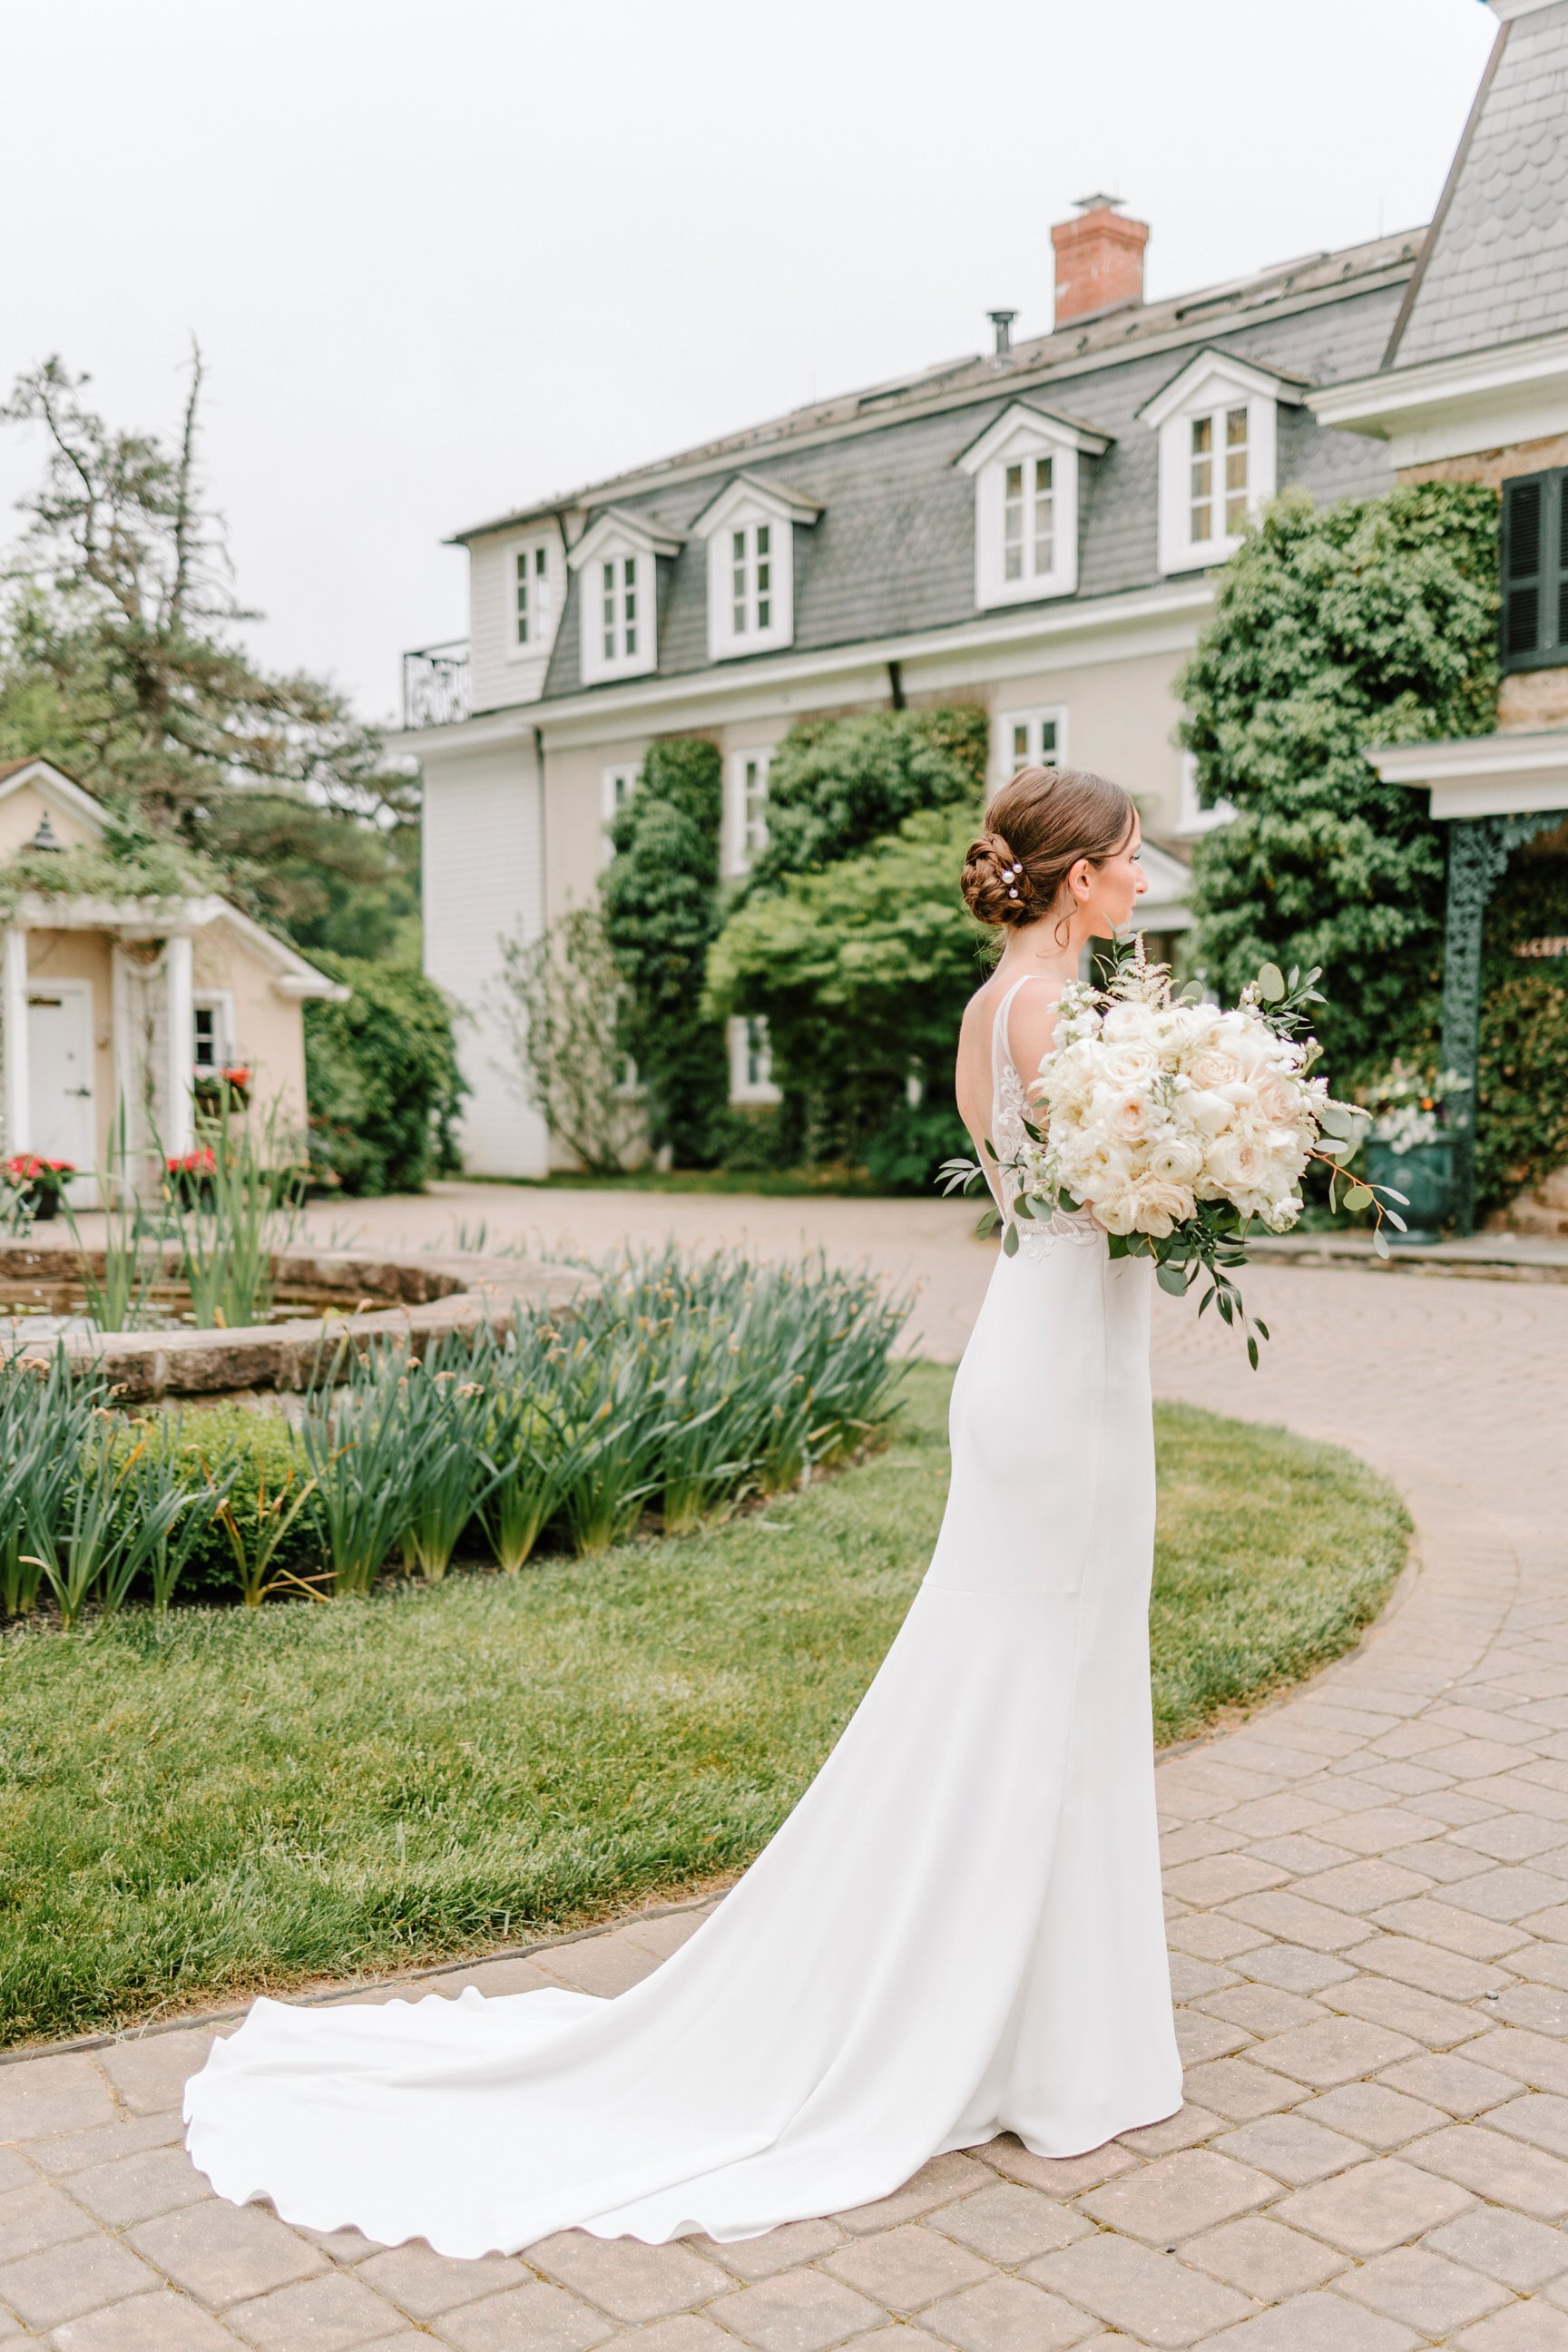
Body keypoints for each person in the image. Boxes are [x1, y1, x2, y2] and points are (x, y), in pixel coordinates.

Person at [183, 761, 1181, 2259]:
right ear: (1077, 872)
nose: (1149, 865)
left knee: (1071, 1684)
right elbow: (1103, 1203)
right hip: (1054, 1395)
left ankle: (1054, 2030)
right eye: (1130, 848)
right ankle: (1011, 2036)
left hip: (1062, 1368)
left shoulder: (1010, 1011)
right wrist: (1206, 1165)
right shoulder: (1039, 1015)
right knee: (1032, 1684)